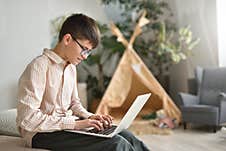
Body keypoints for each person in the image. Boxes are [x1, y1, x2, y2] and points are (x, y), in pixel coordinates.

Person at [16, 13, 150, 151]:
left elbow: (74, 104)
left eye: (88, 52)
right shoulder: (39, 66)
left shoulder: (71, 68)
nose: (85, 57)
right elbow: (28, 119)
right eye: (84, 49)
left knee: (126, 135)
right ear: (67, 39)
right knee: (116, 144)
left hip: (65, 128)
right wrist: (76, 124)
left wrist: (91, 117)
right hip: (41, 134)